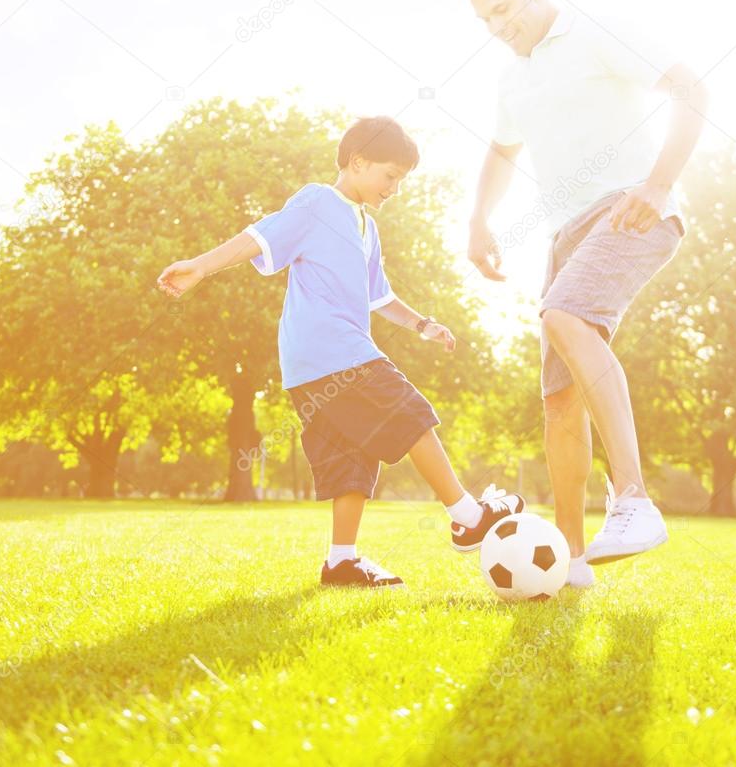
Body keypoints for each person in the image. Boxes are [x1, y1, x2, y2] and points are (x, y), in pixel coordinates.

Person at [157, 115, 525, 589]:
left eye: (401, 180)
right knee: (411, 414)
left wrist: (423, 325)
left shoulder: (366, 227)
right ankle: (468, 516)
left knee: (350, 457)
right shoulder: (318, 203)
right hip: (336, 351)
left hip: (309, 365)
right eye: (390, 176)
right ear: (357, 162)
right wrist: (201, 267)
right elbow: (260, 237)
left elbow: (380, 297)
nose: (395, 188)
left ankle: (341, 563)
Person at [467, 0, 708, 589]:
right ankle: (571, 561)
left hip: (629, 208)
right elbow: (500, 149)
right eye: (484, 18)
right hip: (564, 235)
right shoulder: (512, 79)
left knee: (565, 316)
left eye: (503, 8)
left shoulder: (597, 34)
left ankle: (633, 500)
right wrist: (478, 221)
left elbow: (693, 89)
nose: (496, 25)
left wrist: (659, 186)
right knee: (559, 400)